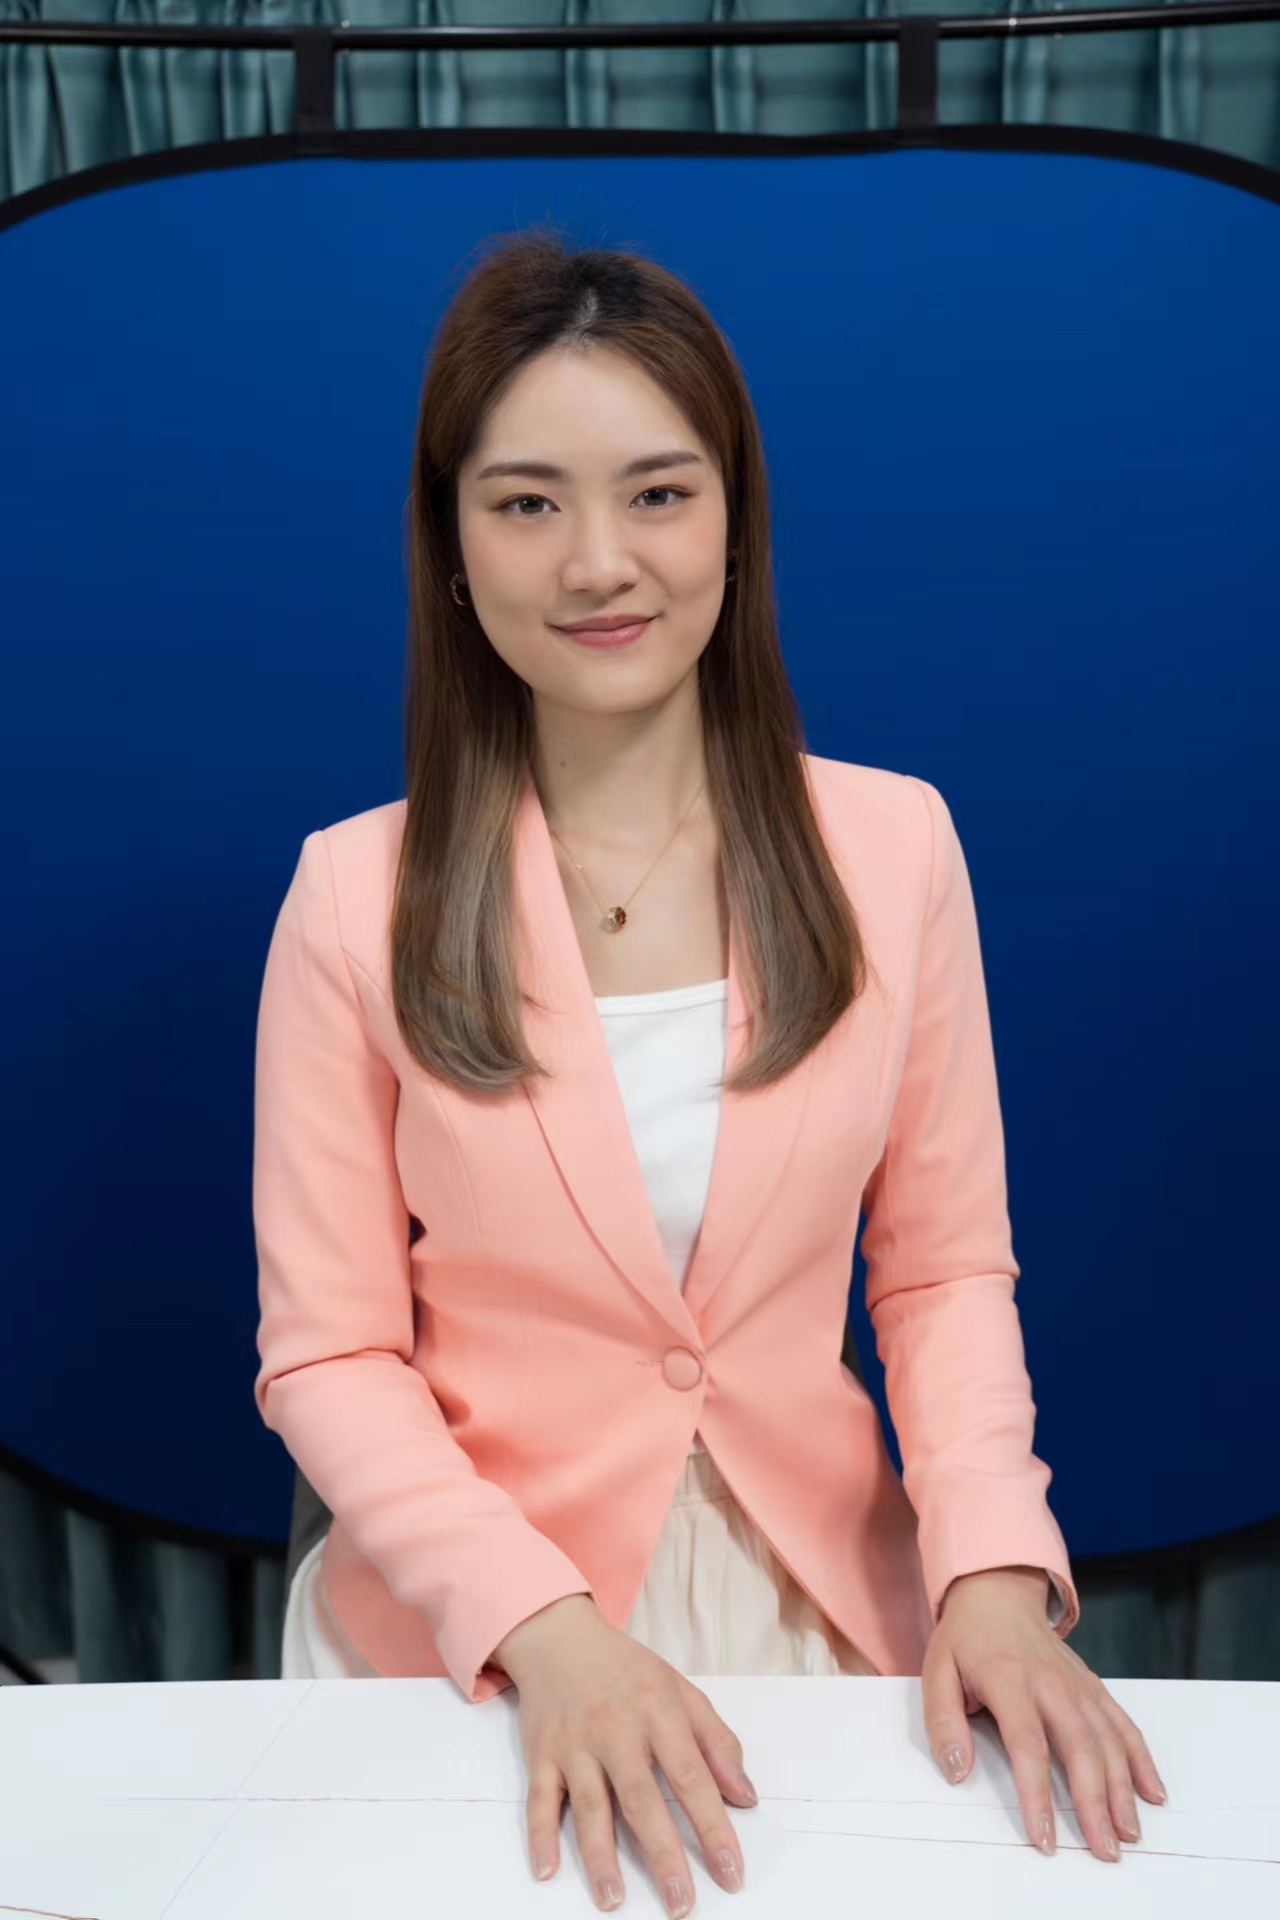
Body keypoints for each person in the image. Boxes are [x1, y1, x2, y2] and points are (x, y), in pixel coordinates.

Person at [252, 225, 1166, 1917]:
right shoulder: (349, 893)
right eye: (527, 503)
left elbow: (944, 1273)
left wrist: (988, 1572)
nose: (599, 561)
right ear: (451, 548)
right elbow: (331, 1355)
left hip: (818, 1598)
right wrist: (543, 1631)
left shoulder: (896, 849)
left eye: (658, 494)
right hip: (470, 1629)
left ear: (735, 520)